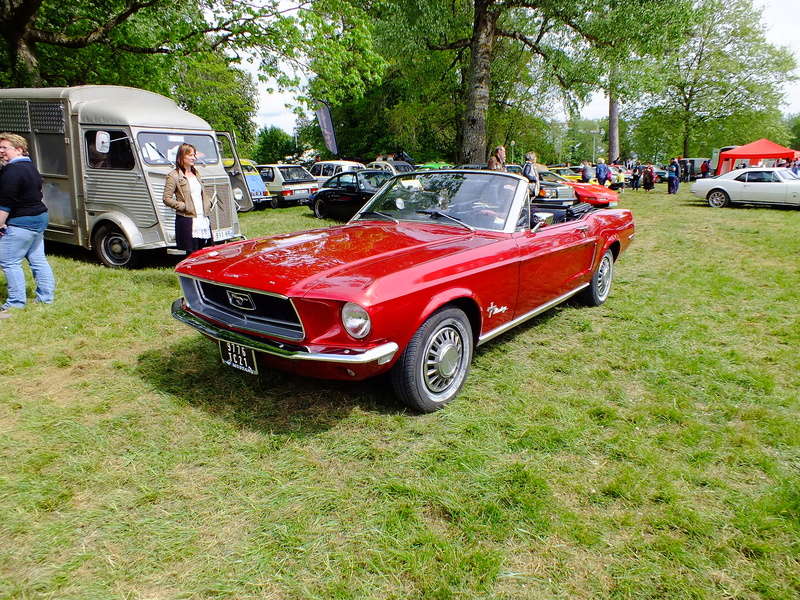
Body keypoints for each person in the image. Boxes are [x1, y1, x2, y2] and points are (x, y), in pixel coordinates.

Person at [0, 133, 56, 319]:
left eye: (4, 148)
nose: (1, 151)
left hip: (22, 222)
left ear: (19, 149)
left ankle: (15, 304)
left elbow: (5, 203)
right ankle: (46, 298)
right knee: (38, 259)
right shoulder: (30, 166)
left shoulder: (12, 171)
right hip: (39, 218)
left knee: (9, 261)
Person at [162, 143, 212, 254]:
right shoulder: (173, 175)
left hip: (202, 219)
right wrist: (184, 206)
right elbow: (166, 198)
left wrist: (209, 202)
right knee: (192, 254)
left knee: (205, 253)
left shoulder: (196, 174)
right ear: (181, 156)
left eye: (194, 155)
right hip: (188, 220)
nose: (194, 158)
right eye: (190, 155)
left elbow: (201, 193)